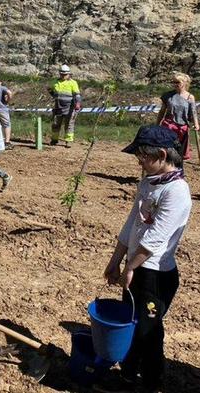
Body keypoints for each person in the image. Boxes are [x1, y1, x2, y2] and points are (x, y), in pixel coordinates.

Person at [101, 125, 191, 393]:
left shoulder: (176, 192)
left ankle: (152, 383)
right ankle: (127, 377)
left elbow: (156, 237)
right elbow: (133, 225)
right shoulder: (148, 183)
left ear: (162, 154)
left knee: (148, 331)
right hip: (137, 267)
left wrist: (130, 265)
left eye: (142, 154)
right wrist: (116, 259)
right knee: (131, 324)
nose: (138, 160)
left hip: (156, 274)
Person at [156, 72, 199, 161]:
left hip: (182, 128)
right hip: (168, 125)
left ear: (184, 83)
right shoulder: (168, 96)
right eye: (174, 82)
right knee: (167, 149)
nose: (175, 84)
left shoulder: (190, 97)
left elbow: (193, 112)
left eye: (178, 82)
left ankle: (178, 171)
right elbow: (162, 111)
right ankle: (164, 170)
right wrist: (157, 123)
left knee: (179, 152)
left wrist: (196, 124)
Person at [48, 64, 82, 148]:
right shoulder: (55, 82)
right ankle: (54, 139)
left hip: (69, 108)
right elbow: (49, 89)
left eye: (65, 74)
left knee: (69, 124)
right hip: (58, 107)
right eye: (62, 74)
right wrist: (54, 96)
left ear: (69, 74)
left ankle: (68, 141)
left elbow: (77, 95)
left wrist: (78, 103)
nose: (63, 76)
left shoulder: (73, 83)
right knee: (56, 124)